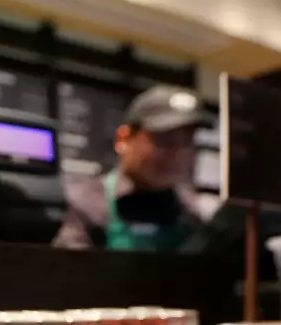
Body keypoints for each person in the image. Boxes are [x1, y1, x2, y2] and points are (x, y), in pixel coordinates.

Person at [54, 85, 214, 251]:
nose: (177, 154)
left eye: (187, 142)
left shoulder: (192, 212)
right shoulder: (85, 202)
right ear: (123, 139)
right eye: (163, 139)